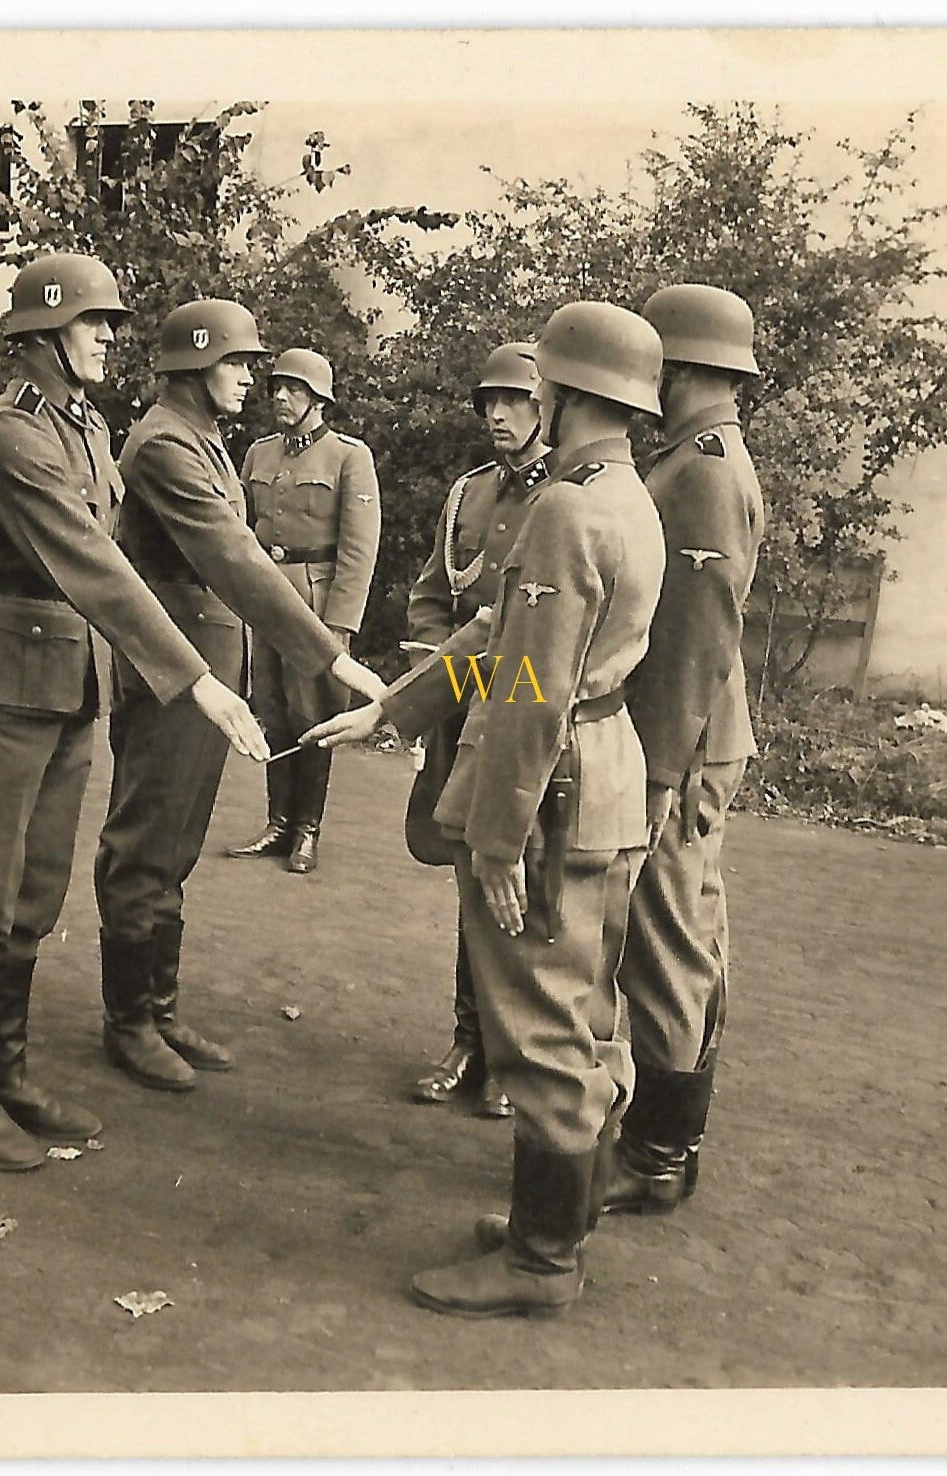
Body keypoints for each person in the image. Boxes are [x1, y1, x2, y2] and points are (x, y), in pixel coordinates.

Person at [305, 302, 667, 1319]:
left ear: (560, 389)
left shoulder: (564, 510)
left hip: (550, 790)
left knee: (540, 1029)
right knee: (585, 1016)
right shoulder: (625, 496)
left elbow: (529, 690)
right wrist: (392, 708)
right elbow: (500, 634)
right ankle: (559, 1224)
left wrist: (501, 839)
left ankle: (541, 1264)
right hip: (604, 784)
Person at [0, 254, 268, 1174]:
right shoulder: (11, 433)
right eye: (93, 321)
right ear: (42, 334)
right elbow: (95, 564)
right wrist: (195, 678)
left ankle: (9, 1073)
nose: (112, 335)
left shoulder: (85, 426)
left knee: (35, 894)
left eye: (112, 320)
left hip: (66, 682)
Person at [94, 301, 386, 1093]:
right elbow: (234, 556)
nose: (250, 379)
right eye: (235, 363)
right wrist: (329, 654)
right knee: (146, 840)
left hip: (208, 665)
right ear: (194, 365)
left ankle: (157, 1008)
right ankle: (130, 1021)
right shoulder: (163, 445)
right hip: (172, 671)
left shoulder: (203, 440)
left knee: (177, 840)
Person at [602, 283, 766, 1216]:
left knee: (664, 940)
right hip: (691, 730)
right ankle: (663, 1141)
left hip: (681, 736)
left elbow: (697, 636)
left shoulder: (702, 470)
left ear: (682, 367)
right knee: (681, 932)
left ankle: (656, 1155)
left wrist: (659, 773)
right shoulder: (694, 458)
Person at [401, 342, 553, 1120]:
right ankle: (469, 1041)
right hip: (464, 711)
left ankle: (510, 1053)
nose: (498, 414)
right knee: (469, 877)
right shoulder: (468, 494)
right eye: (489, 401)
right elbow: (433, 598)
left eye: (515, 400)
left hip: (526, 720)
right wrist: (438, 682)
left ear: (545, 407)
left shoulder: (565, 500)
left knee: (519, 882)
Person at [223, 349, 381, 874]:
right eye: (277, 388)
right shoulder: (259, 453)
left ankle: (307, 829)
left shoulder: (348, 457)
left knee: (313, 716)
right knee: (272, 712)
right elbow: (240, 530)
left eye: (294, 389)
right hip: (266, 599)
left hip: (316, 604)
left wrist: (340, 626)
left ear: (319, 399)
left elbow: (358, 551)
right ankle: (278, 823)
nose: (281, 398)